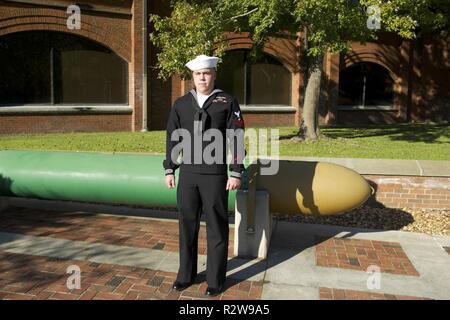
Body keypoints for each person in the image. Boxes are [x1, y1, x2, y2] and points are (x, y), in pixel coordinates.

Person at [163, 54, 245, 297]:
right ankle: (185, 275)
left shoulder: (227, 102)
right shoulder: (181, 104)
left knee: (216, 228)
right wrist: (170, 168)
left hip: (215, 175)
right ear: (192, 76)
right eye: (198, 74)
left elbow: (237, 138)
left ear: (214, 74)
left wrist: (236, 171)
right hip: (188, 174)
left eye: (206, 73)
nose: (202, 77)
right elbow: (173, 137)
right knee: (187, 226)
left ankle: (215, 280)